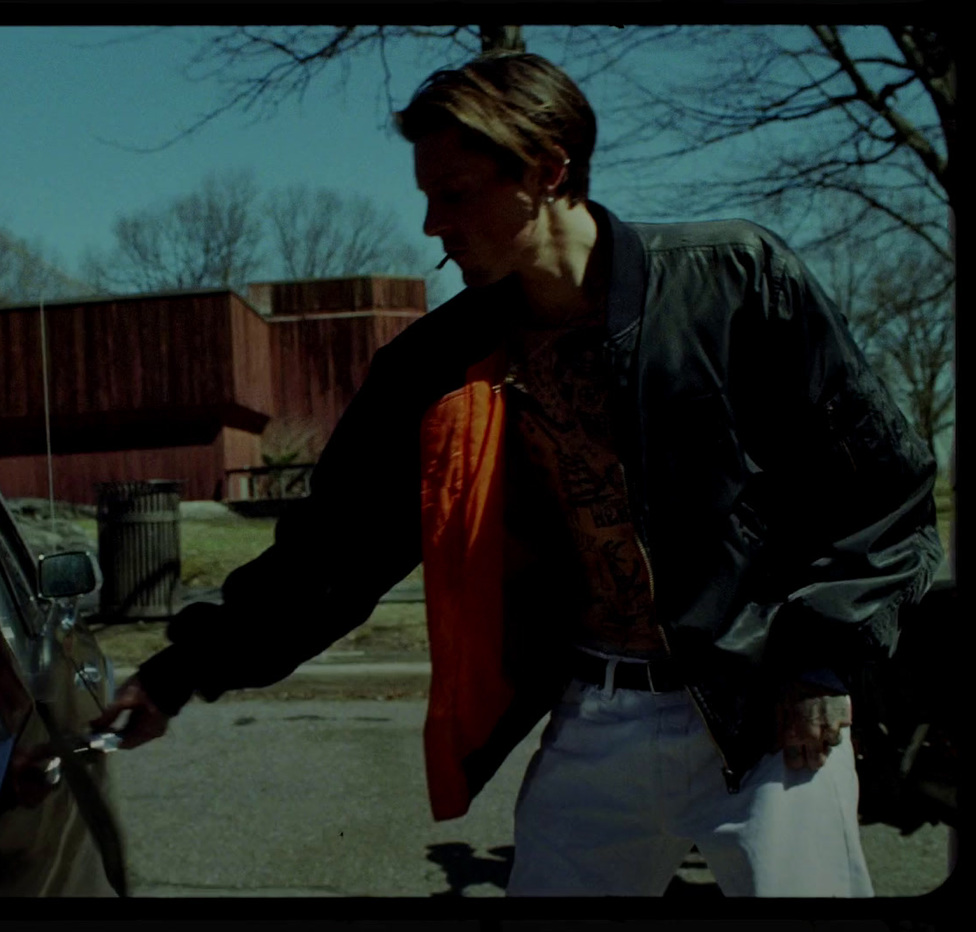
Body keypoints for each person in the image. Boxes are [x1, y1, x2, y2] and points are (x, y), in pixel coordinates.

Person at [91, 50, 946, 897]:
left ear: (546, 172)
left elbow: (886, 495)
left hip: (765, 715)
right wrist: (178, 673)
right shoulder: (435, 366)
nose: (432, 224)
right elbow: (330, 557)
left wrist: (822, 662)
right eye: (428, 196)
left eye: (455, 194)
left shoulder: (735, 282)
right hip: (599, 717)